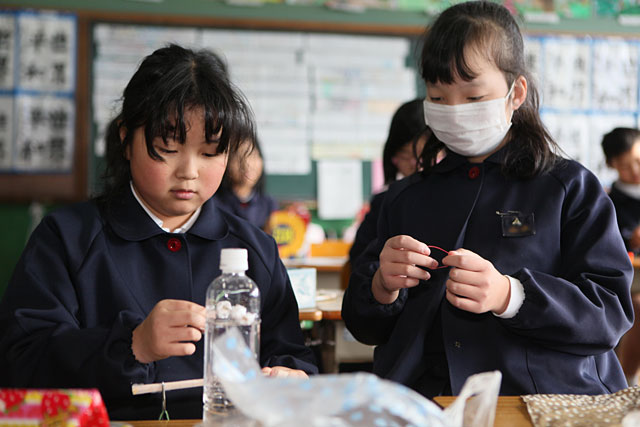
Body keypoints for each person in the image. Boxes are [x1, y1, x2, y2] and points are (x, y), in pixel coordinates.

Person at [0, 44, 317, 420]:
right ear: (126, 139)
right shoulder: (67, 239)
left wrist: (292, 377)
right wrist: (131, 345)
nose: (189, 171)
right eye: (168, 147)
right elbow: (21, 361)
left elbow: (291, 355)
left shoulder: (254, 249)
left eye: (210, 152)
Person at [342, 0, 633, 399]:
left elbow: (610, 312)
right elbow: (363, 326)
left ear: (516, 93)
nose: (454, 112)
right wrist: (381, 287)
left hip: (540, 399)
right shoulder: (406, 197)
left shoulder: (568, 187)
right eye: (438, 98)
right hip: (428, 400)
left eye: (474, 97)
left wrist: (510, 295)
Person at [348, 99, 431, 268]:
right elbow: (358, 260)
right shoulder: (385, 202)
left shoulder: (459, 198)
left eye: (424, 155)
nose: (415, 164)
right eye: (405, 156)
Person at [602, 127, 640, 386]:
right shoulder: (608, 202)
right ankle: (626, 380)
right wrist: (631, 240)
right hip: (631, 274)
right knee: (637, 305)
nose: (635, 171)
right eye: (626, 166)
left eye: (638, 161)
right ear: (611, 165)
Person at [214, 138, 278, 230]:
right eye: (238, 157)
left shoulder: (269, 204)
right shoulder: (213, 205)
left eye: (253, 155)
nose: (247, 164)